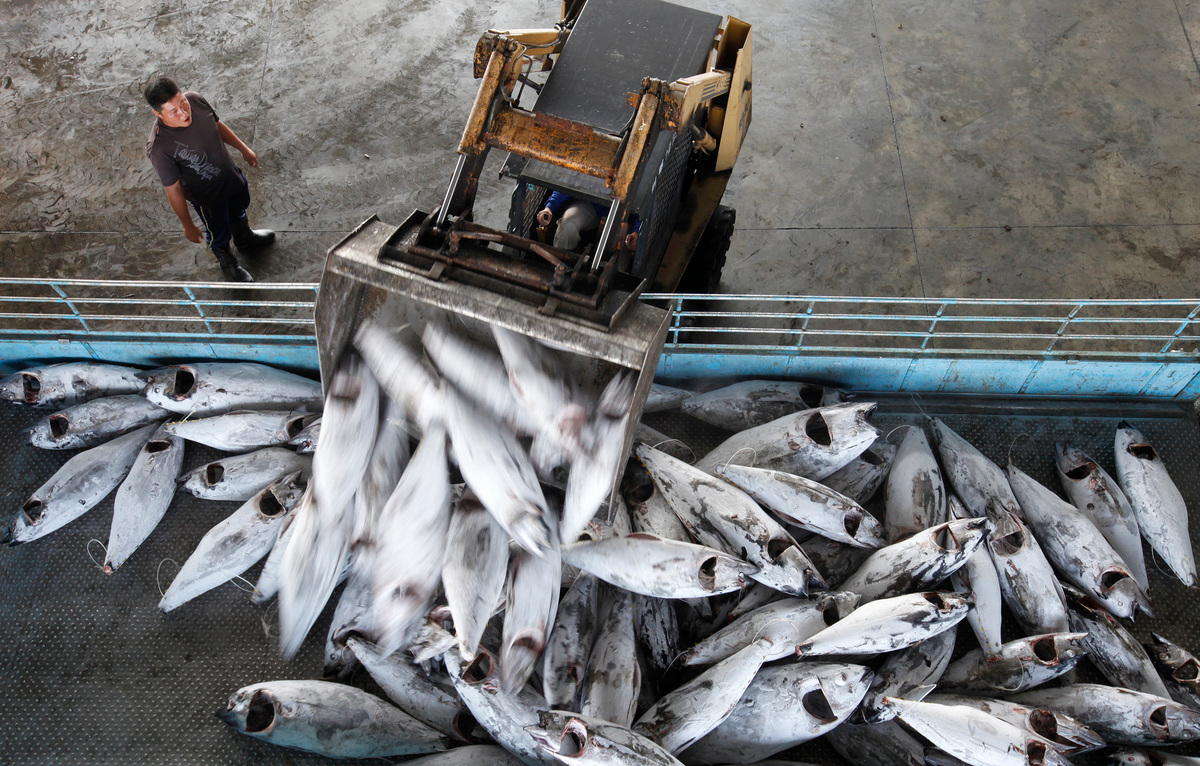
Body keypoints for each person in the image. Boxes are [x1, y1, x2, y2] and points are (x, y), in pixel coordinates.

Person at [143, 77, 275, 282]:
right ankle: (227, 262)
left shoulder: (195, 99)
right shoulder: (160, 148)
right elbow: (173, 190)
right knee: (217, 229)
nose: (184, 112)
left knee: (239, 207)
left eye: (182, 103)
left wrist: (243, 149)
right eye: (173, 111)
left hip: (230, 176)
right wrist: (187, 224)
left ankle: (244, 237)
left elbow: (217, 125)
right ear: (157, 114)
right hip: (207, 197)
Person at [537, 191, 639, 253]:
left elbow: (646, 206)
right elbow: (570, 178)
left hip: (625, 216)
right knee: (568, 225)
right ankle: (561, 265)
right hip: (592, 205)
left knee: (621, 262)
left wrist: (637, 232)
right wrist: (549, 208)